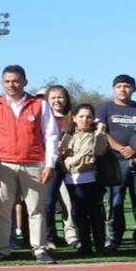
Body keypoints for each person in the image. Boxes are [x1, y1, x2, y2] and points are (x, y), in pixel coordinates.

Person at [0, 65, 60, 263]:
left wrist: (50, 165)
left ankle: (39, 249)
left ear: (24, 82)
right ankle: (2, 249)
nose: (11, 85)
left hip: (33, 163)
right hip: (2, 164)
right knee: (3, 209)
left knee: (36, 209)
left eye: (15, 81)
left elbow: (51, 136)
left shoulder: (39, 105)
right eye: (7, 81)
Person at [96, 74, 136, 253]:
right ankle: (114, 239)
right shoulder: (105, 108)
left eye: (127, 86)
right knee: (115, 203)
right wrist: (122, 149)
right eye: (119, 86)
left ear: (134, 89)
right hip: (114, 163)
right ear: (114, 88)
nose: (123, 89)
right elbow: (102, 133)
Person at [57, 105, 109, 256]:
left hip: (91, 179)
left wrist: (100, 133)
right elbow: (61, 156)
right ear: (74, 118)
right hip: (71, 179)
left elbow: (98, 151)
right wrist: (68, 159)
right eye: (81, 116)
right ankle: (84, 245)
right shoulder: (68, 135)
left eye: (88, 117)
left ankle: (99, 246)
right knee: (78, 214)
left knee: (95, 213)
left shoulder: (96, 134)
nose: (84, 120)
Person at [41, 85, 78, 250]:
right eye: (53, 98)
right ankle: (49, 237)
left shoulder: (73, 117)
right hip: (51, 165)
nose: (57, 101)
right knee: (48, 202)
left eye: (60, 97)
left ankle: (71, 235)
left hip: (71, 166)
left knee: (70, 203)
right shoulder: (43, 117)